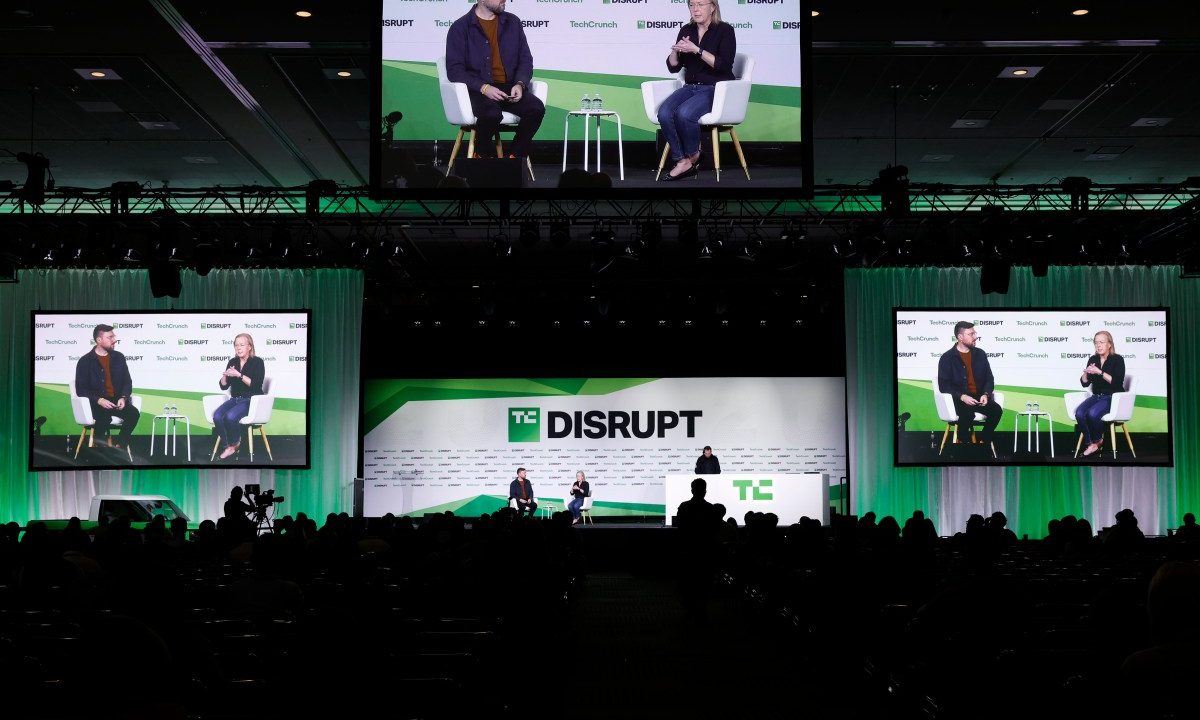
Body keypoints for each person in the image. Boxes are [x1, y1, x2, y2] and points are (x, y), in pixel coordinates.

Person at [445, 0, 545, 161]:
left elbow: (525, 60)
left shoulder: (513, 22)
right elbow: (454, 70)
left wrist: (520, 83)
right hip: (477, 89)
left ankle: (514, 158)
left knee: (536, 108)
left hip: (508, 87)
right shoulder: (460, 27)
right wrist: (484, 88)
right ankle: (482, 154)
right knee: (491, 114)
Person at [657, 0, 737, 181]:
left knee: (684, 114)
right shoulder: (687, 30)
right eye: (692, 5)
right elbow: (674, 67)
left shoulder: (725, 30)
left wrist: (696, 49)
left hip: (715, 88)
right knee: (664, 112)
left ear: (713, 7)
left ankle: (692, 156)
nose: (695, 9)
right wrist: (675, 51)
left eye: (700, 4)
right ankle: (682, 160)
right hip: (690, 87)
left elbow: (723, 65)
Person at [73, 323, 140, 454]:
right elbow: (81, 389)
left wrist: (123, 398)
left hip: (115, 400)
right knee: (104, 416)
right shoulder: (85, 361)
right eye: (110, 337)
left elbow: (127, 382)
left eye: (114, 336)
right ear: (99, 340)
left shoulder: (119, 357)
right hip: (95, 402)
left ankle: (119, 446)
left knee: (133, 413)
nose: (114, 340)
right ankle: (99, 451)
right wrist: (99, 400)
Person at [937, 321, 1003, 451]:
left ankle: (983, 442)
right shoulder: (947, 358)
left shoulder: (981, 354)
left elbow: (989, 378)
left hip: (978, 396)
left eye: (975, 333)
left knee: (996, 410)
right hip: (958, 398)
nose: (975, 336)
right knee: (967, 414)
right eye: (971, 334)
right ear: (960, 337)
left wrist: (986, 394)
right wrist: (962, 396)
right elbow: (944, 385)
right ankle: (964, 444)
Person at [213, 333, 266, 460]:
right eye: (236, 345)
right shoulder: (233, 362)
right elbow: (224, 386)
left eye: (242, 345)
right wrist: (225, 375)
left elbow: (255, 385)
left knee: (230, 417)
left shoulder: (258, 362)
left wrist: (239, 375)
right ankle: (228, 447)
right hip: (235, 399)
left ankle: (235, 444)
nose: (238, 348)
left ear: (249, 347)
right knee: (217, 416)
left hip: (251, 399)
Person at [1075, 330, 1126, 457]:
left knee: (1092, 414)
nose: (1098, 345)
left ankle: (1098, 442)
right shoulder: (1093, 359)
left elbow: (1117, 383)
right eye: (1096, 343)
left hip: (1112, 396)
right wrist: (1086, 373)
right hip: (1096, 396)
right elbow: (1085, 383)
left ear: (1109, 344)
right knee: (1079, 413)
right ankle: (1091, 444)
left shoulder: (1117, 359)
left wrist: (1100, 372)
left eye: (1102, 342)